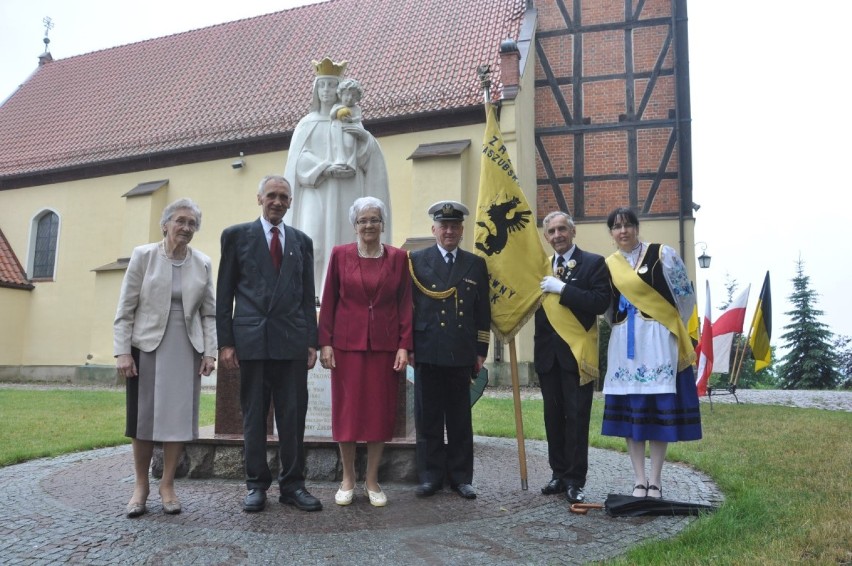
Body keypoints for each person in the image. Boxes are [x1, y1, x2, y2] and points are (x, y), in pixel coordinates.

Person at [216, 175, 321, 513]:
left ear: (291, 202)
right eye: (272, 195)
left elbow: (307, 296)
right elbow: (224, 294)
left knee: (293, 417)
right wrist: (226, 343)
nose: (278, 202)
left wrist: (311, 341)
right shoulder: (236, 237)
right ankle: (256, 485)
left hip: (291, 341)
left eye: (284, 197)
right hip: (252, 340)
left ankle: (293, 485)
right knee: (254, 416)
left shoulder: (301, 241)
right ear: (259, 198)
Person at [114, 198, 217, 518]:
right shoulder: (143, 256)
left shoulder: (202, 262)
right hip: (146, 347)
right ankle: (141, 486)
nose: (186, 228)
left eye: (192, 223)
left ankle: (168, 485)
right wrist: (122, 351)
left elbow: (209, 314)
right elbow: (125, 308)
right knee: (142, 421)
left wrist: (210, 352)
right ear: (165, 224)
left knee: (179, 420)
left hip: (186, 349)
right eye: (181, 221)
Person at [318, 196, 413, 507]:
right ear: (354, 225)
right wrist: (326, 343)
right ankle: (348, 478)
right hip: (346, 346)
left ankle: (372, 479)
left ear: (382, 223)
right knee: (347, 414)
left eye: (374, 219)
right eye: (363, 220)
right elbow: (329, 300)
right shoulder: (339, 254)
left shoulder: (399, 258)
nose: (369, 225)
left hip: (385, 348)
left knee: (378, 413)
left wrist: (403, 345)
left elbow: (405, 304)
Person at [601, 206, 702, 499]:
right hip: (626, 345)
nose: (623, 231)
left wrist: (669, 324)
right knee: (633, 414)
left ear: (636, 227)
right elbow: (608, 309)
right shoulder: (610, 265)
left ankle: (655, 480)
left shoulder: (662, 254)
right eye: (617, 227)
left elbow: (685, 298)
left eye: (628, 225)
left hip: (658, 341)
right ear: (611, 233)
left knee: (658, 412)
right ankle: (639, 479)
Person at [285, 58, 390, 295]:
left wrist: (364, 140)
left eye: (331, 85)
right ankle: (311, 297)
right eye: (322, 85)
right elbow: (298, 162)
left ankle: (345, 294)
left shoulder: (351, 121)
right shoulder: (306, 124)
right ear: (315, 89)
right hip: (317, 190)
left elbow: (366, 159)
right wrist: (324, 168)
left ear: (339, 89)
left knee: (347, 243)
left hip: (348, 191)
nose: (326, 91)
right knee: (314, 243)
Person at [409, 201, 490, 500]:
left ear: (462, 230)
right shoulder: (416, 261)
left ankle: (460, 478)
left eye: (454, 226)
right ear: (434, 229)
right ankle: (430, 476)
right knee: (427, 417)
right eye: (444, 226)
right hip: (427, 350)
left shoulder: (475, 264)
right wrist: (408, 347)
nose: (449, 231)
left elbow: (483, 312)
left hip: (461, 352)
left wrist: (481, 350)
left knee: (459, 418)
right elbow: (409, 309)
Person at [534, 211, 610, 504]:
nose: (557, 236)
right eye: (551, 231)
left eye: (562, 229)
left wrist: (563, 289)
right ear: (546, 237)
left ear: (573, 231)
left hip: (577, 354)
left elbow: (599, 302)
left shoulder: (593, 263)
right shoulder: (541, 268)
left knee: (577, 418)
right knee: (552, 417)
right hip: (547, 355)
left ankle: (576, 480)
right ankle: (558, 474)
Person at [330, 78, 363, 171]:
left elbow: (358, 119)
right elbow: (332, 116)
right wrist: (337, 110)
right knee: (338, 145)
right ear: (340, 95)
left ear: (357, 98)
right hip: (338, 130)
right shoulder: (337, 106)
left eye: (353, 96)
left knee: (349, 145)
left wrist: (351, 120)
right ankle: (340, 160)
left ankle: (351, 164)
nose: (349, 98)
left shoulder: (356, 108)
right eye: (347, 95)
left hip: (351, 129)